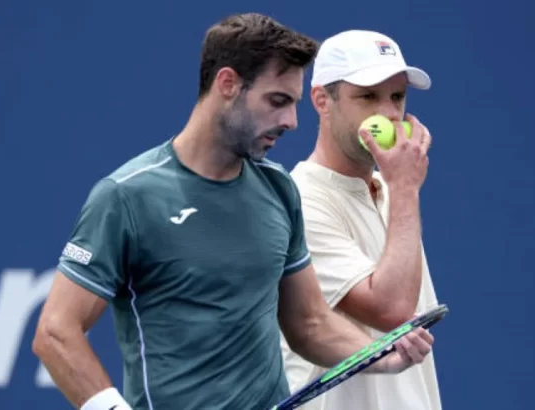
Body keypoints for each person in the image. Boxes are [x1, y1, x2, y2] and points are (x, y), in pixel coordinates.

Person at [31, 14, 435, 410]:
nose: (291, 121)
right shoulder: (126, 197)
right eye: (277, 101)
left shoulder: (279, 190)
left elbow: (310, 323)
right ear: (228, 85)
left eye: (293, 104)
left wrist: (379, 355)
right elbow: (55, 333)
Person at [279, 30, 443, 410]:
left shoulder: (394, 189)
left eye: (397, 97)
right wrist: (405, 187)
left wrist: (400, 187)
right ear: (322, 100)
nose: (388, 112)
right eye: (368, 96)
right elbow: (392, 312)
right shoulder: (300, 200)